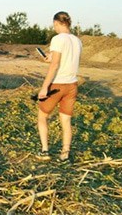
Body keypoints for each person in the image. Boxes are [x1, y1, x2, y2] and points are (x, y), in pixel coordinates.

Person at [36, 11, 82, 162]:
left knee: (42, 116)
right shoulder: (77, 41)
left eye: (53, 25)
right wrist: (50, 59)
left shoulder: (57, 39)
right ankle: (65, 154)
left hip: (57, 85)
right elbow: (64, 60)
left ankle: (45, 151)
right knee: (66, 120)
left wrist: (44, 87)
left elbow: (55, 65)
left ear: (56, 22)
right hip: (72, 85)